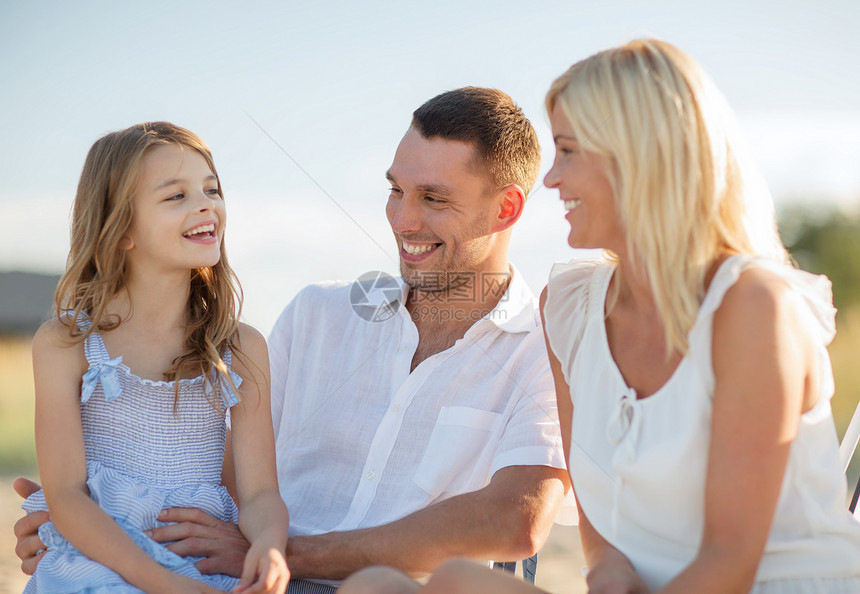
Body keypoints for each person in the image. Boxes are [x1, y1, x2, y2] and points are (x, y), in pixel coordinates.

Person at [15, 89, 572, 593]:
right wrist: (94, 521)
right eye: (395, 190)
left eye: (433, 199)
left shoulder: (542, 348)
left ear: (506, 209)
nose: (402, 220)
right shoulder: (315, 316)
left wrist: (280, 554)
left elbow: (516, 521)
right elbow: (223, 476)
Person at [375, 38, 860, 594]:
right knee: (404, 586)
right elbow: (601, 532)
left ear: (644, 158)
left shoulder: (752, 307)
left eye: (570, 152)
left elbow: (731, 563)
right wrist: (607, 569)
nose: (551, 179)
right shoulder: (571, 307)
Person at [18, 122, 290, 593]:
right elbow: (65, 495)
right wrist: (165, 584)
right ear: (121, 228)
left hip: (206, 564)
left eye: (212, 189)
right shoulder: (65, 343)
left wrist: (268, 546)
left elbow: (261, 492)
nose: (206, 204)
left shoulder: (241, 346)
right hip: (103, 562)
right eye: (176, 196)